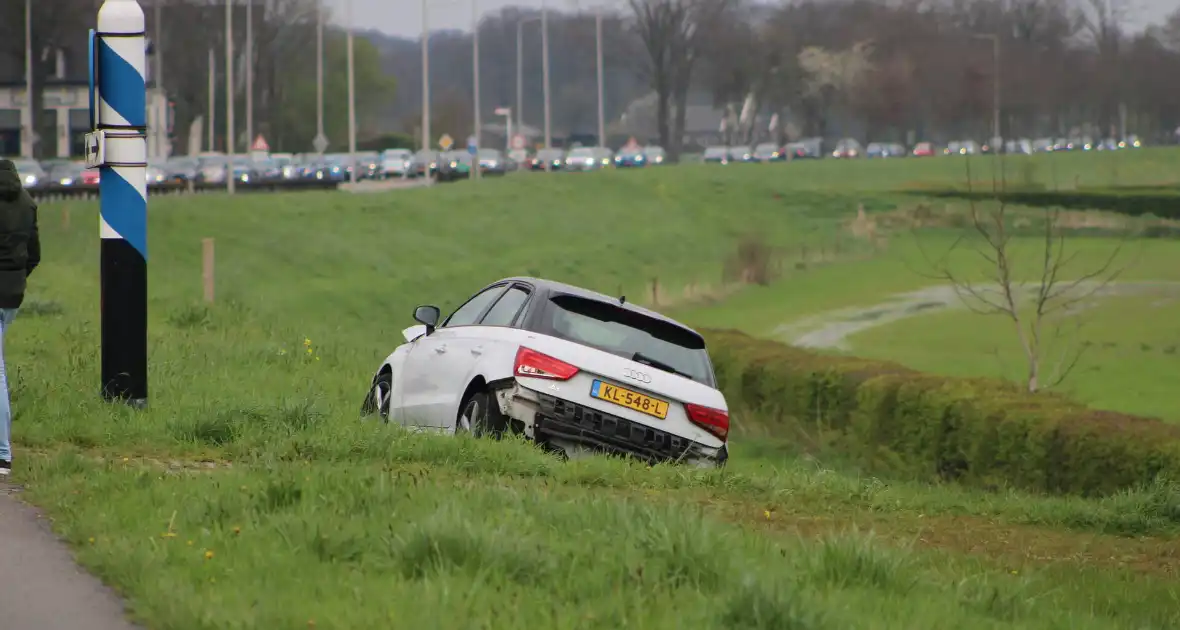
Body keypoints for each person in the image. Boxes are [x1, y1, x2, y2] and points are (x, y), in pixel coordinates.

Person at [0, 159, 40, 477]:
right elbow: (34, 253)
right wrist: (17, 278)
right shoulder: (27, 203)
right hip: (13, 295)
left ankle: (2, 453)